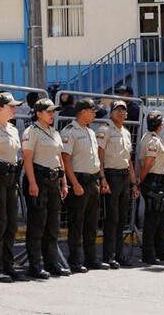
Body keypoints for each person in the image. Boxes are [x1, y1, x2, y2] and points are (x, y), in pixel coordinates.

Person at [22, 98, 71, 279]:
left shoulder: (54, 132)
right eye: (49, 111)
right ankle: (35, 265)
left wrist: (64, 182)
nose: (53, 114)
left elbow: (59, 160)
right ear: (38, 113)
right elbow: (27, 159)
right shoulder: (31, 131)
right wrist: (32, 183)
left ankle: (52, 263)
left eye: (53, 111)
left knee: (53, 225)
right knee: (37, 224)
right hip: (39, 179)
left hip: (54, 180)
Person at [61, 98, 109, 272]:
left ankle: (91, 258)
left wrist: (101, 178)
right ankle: (75, 260)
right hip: (79, 181)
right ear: (82, 112)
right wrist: (74, 183)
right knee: (77, 223)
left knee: (92, 222)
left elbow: (95, 159)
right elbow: (65, 160)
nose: (94, 113)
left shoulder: (90, 131)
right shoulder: (70, 131)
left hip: (93, 181)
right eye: (92, 110)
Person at [0, 92, 27, 282]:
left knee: (11, 224)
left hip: (11, 178)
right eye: (11, 106)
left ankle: (8, 265)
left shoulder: (12, 129)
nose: (15, 109)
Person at [97, 100, 139, 268]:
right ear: (111, 112)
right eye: (118, 110)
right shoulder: (105, 130)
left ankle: (119, 253)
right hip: (111, 175)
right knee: (111, 218)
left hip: (123, 176)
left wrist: (134, 182)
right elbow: (100, 154)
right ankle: (109, 255)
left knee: (122, 218)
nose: (122, 113)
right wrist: (102, 177)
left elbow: (128, 159)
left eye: (124, 110)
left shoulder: (126, 132)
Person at [138, 110, 164, 264]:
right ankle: (148, 254)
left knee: (159, 220)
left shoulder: (152, 138)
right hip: (153, 182)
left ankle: (161, 251)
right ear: (159, 125)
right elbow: (148, 163)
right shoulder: (152, 140)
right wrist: (140, 181)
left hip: (157, 181)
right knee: (152, 220)